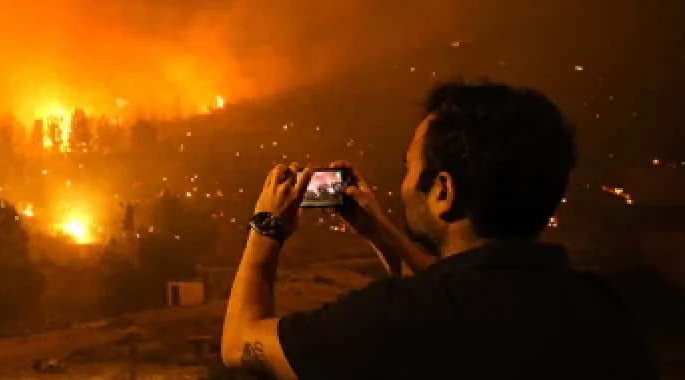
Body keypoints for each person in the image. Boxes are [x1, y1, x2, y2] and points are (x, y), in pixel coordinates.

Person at [221, 80, 656, 379]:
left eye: (409, 168)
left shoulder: (394, 318)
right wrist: (381, 232)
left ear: (443, 190)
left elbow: (240, 344)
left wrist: (267, 225)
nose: (404, 182)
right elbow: (462, 293)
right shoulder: (602, 310)